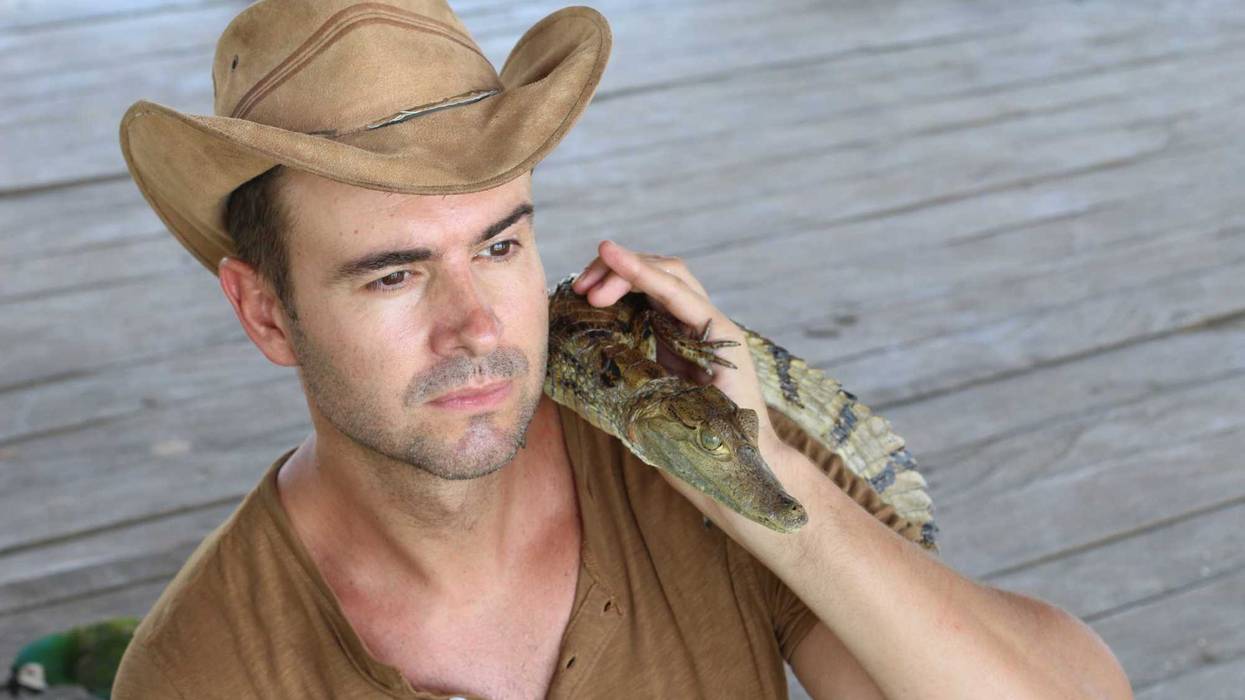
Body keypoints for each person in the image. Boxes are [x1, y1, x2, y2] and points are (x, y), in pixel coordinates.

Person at [110, 1, 1133, 698]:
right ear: (266, 315)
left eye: (500, 244)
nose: (477, 325)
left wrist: (764, 477)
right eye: (394, 272)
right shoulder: (210, 662)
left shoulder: (680, 453)